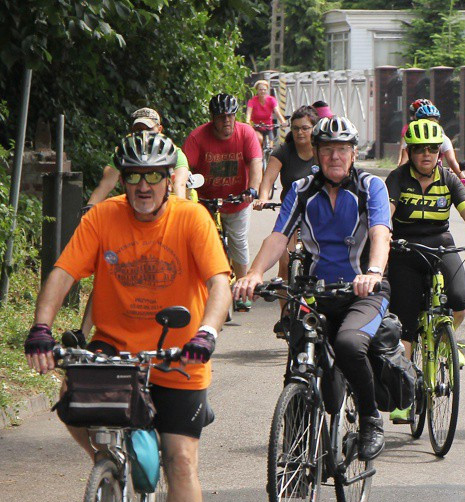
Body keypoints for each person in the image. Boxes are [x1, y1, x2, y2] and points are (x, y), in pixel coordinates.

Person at [23, 131, 231, 502]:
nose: (143, 187)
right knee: (73, 404)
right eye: (134, 177)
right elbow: (63, 272)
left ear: (167, 179)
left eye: (153, 178)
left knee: (180, 458)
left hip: (180, 354)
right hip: (115, 349)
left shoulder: (192, 218)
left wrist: (206, 334)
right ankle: (111, 467)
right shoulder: (103, 217)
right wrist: (40, 327)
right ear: (125, 180)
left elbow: (220, 282)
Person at [233, 116, 392, 461]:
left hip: (363, 292)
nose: (335, 156)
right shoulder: (302, 190)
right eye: (327, 149)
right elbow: (279, 237)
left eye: (342, 149)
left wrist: (374, 271)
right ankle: (295, 452)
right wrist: (254, 273)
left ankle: (370, 419)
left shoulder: (370, 187)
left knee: (349, 344)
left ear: (353, 153)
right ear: (316, 153)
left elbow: (381, 233)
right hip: (316, 293)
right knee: (298, 362)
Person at [384, 120, 465, 421]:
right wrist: (383, 241)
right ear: (411, 151)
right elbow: (386, 215)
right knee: (404, 325)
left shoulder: (447, 178)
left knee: (458, 300)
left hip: (439, 242)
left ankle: (446, 342)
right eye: (420, 150)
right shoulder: (397, 178)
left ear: (439, 153)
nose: (426, 155)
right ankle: (404, 397)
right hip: (405, 247)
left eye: (432, 149)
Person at [183, 93, 263, 310]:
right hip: (206, 201)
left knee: (238, 241)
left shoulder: (245, 133)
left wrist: (253, 189)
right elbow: (183, 169)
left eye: (230, 116)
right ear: (212, 118)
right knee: (205, 244)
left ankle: (242, 286)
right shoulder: (197, 137)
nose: (226, 120)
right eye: (220, 117)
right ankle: (205, 289)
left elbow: (256, 162)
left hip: (238, 199)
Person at [253, 105, 320, 337]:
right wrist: (263, 198)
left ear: (315, 128)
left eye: (305, 128)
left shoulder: (322, 151)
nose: (300, 133)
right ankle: (286, 318)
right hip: (291, 214)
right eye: (295, 128)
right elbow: (268, 179)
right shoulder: (283, 151)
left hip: (318, 215)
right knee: (286, 262)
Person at [87, 107, 190, 206]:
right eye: (138, 129)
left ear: (159, 129)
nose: (143, 133)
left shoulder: (174, 153)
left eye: (148, 128)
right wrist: (89, 208)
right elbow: (106, 184)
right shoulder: (124, 153)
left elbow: (179, 185)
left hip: (168, 205)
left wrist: (180, 209)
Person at [397, 104, 465, 182]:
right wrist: (397, 179)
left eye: (434, 148)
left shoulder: (443, 138)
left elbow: (452, 161)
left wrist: (463, 178)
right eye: (418, 148)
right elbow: (403, 163)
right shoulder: (411, 139)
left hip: (436, 177)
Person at [246, 79, 287, 148]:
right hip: (256, 127)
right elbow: (248, 113)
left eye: (264, 89)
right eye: (260, 89)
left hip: (268, 126)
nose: (263, 91)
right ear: (257, 91)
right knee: (259, 139)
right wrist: (247, 121)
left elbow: (277, 111)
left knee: (271, 146)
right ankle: (259, 156)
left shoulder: (271, 100)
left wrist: (282, 121)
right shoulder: (252, 101)